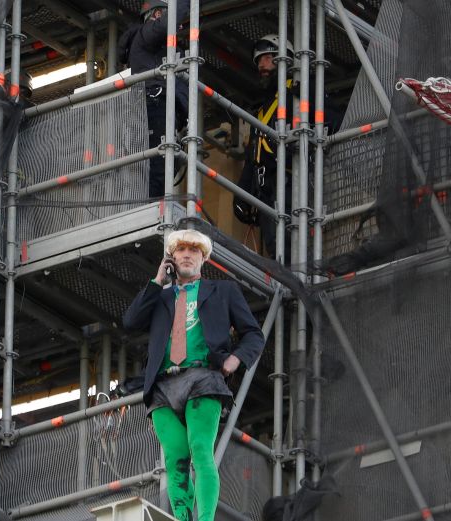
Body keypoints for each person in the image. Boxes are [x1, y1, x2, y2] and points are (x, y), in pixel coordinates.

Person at [123, 229, 264, 521]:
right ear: (172, 258)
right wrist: (157, 281)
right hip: (161, 385)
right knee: (175, 459)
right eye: (181, 250)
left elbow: (254, 334)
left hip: (203, 377)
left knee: (200, 449)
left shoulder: (223, 291)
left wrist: (236, 359)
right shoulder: (159, 297)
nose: (187, 254)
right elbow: (131, 321)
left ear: (204, 258)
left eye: (194, 250)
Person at [118, 0, 190, 198]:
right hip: (155, 105)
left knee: (164, 165)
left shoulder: (154, 46)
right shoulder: (146, 33)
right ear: (157, 15)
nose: (178, 24)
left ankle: (154, 209)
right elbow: (167, 25)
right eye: (169, 14)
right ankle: (153, 212)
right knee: (158, 168)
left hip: (160, 107)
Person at [233, 34, 295, 258]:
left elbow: (332, 123)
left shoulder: (300, 94)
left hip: (291, 183)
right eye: (259, 61)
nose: (262, 65)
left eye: (268, 57)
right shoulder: (263, 111)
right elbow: (253, 157)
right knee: (274, 245)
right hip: (267, 189)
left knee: (289, 244)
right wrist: (242, 195)